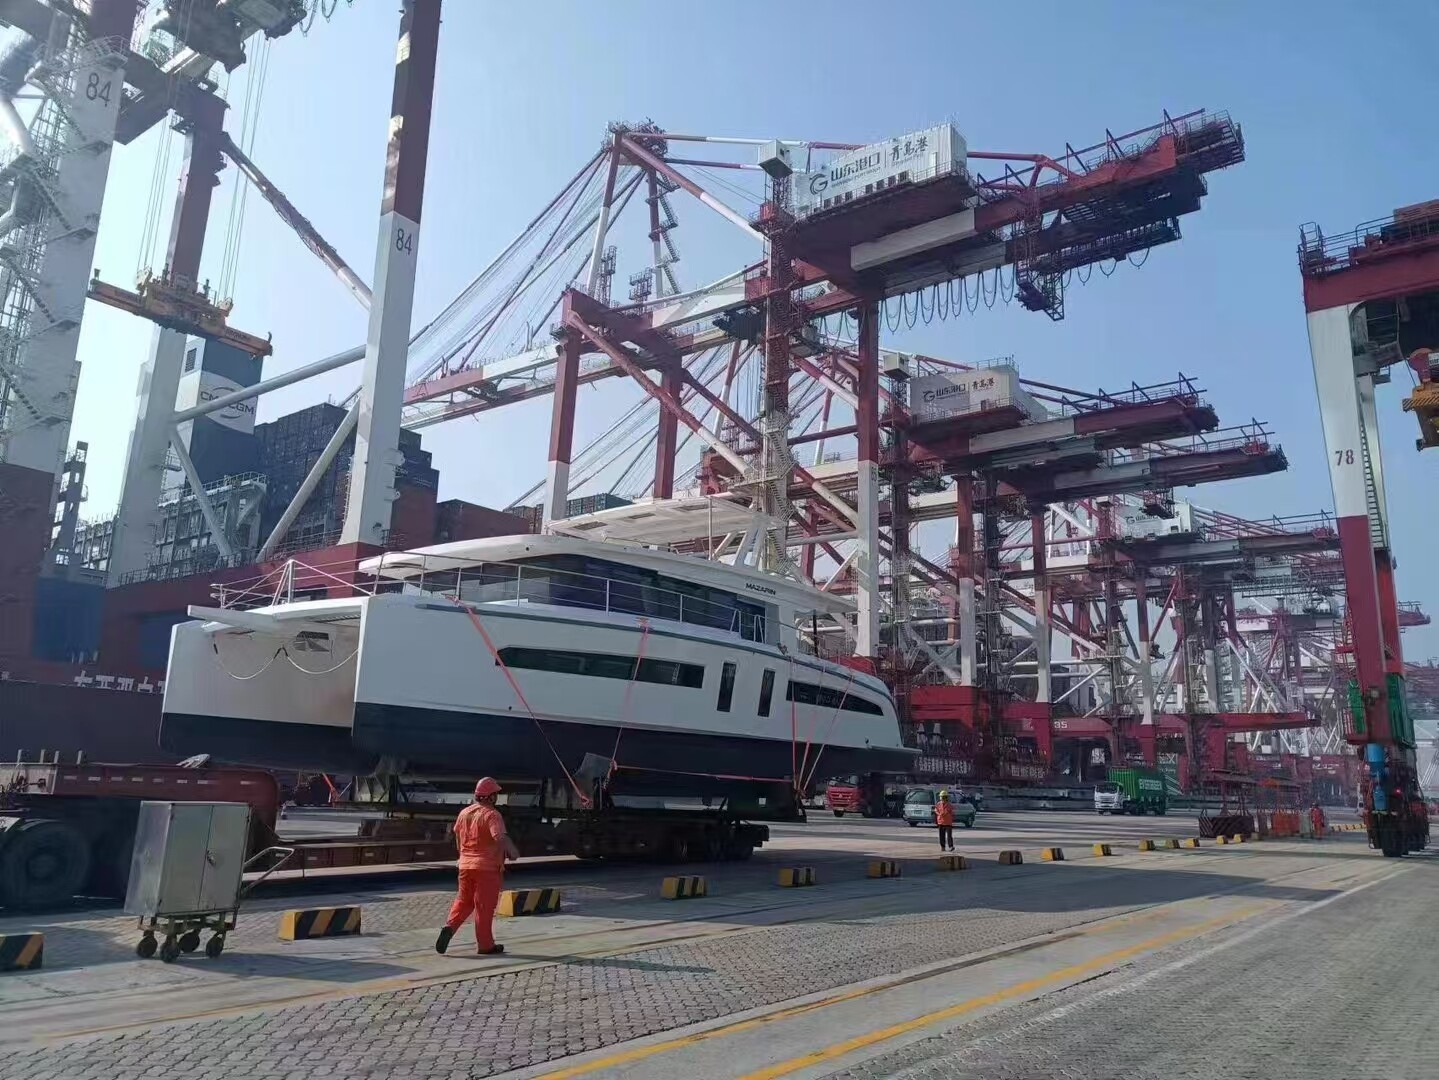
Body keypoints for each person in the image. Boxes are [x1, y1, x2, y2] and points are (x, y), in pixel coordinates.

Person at [436, 777, 519, 956]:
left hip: (465, 866)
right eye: (495, 794)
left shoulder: (464, 813)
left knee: (463, 901)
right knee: (484, 907)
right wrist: (513, 852)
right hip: (487, 869)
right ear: (490, 797)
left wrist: (464, 856)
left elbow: (458, 839)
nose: (496, 797)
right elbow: (499, 837)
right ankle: (486, 946)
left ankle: (450, 927)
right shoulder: (492, 814)